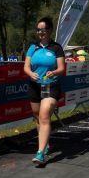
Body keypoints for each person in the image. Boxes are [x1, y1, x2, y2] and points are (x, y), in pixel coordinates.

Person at [23, 17, 65, 165]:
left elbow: (61, 68)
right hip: (34, 86)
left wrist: (54, 72)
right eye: (38, 30)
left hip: (49, 86)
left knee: (44, 116)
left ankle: (40, 154)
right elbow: (26, 67)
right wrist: (30, 73)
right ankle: (45, 144)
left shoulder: (56, 48)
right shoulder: (33, 47)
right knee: (37, 116)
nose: (40, 32)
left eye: (43, 30)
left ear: (50, 30)